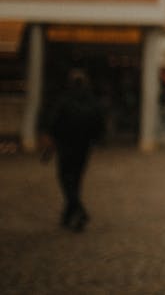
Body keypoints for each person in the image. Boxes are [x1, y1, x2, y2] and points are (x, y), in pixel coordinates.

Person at [45, 68, 105, 232]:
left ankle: (78, 210)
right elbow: (99, 124)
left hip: (66, 146)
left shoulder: (65, 101)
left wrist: (52, 140)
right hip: (84, 147)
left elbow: (54, 123)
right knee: (76, 179)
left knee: (65, 178)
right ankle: (69, 214)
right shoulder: (92, 101)